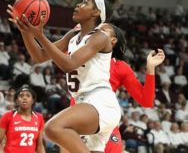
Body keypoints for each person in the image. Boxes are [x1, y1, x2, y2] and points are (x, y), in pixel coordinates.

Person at [8, 0, 122, 152]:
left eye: (85, 3)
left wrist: (39, 35)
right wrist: (26, 31)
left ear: (95, 13)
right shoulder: (72, 36)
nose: (77, 5)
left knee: (53, 128)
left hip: (100, 102)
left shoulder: (100, 37)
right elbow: (39, 56)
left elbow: (69, 64)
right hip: (83, 103)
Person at [68, 23, 165, 153]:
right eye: (96, 29)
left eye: (102, 30)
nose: (96, 31)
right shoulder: (77, 54)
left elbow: (146, 101)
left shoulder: (121, 67)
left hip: (105, 123)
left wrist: (150, 68)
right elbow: (48, 53)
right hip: (77, 120)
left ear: (113, 41)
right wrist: (73, 34)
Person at [0, 86, 45, 153]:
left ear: (32, 101)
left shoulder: (39, 117)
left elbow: (40, 146)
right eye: (21, 96)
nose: (24, 98)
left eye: (28, 96)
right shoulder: (8, 115)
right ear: (17, 101)